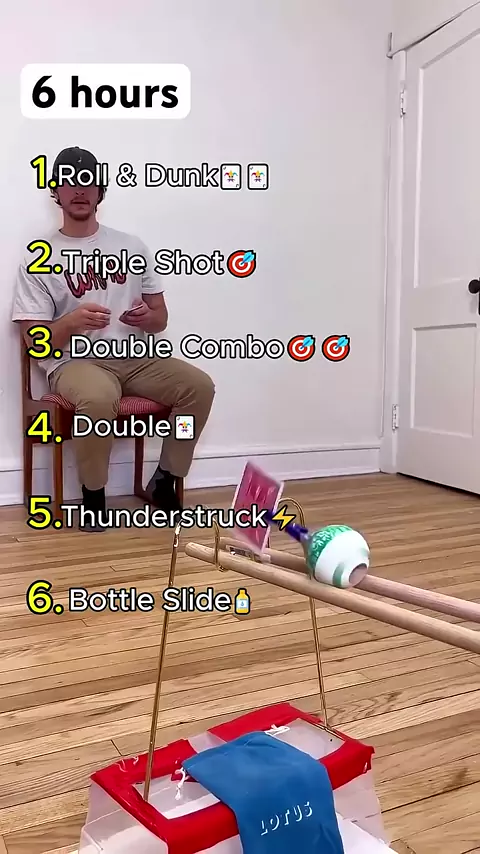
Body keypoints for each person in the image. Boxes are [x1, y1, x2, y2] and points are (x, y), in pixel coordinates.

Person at [12, 146, 215, 530]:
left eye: (88, 182)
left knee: (198, 387)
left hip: (135, 357)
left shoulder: (132, 246)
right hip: (75, 362)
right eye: (69, 182)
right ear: (56, 191)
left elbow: (160, 319)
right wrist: (70, 322)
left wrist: (148, 317)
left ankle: (166, 477)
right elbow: (33, 340)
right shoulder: (38, 255)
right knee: (98, 397)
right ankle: (93, 495)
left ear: (100, 191)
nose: (79, 189)